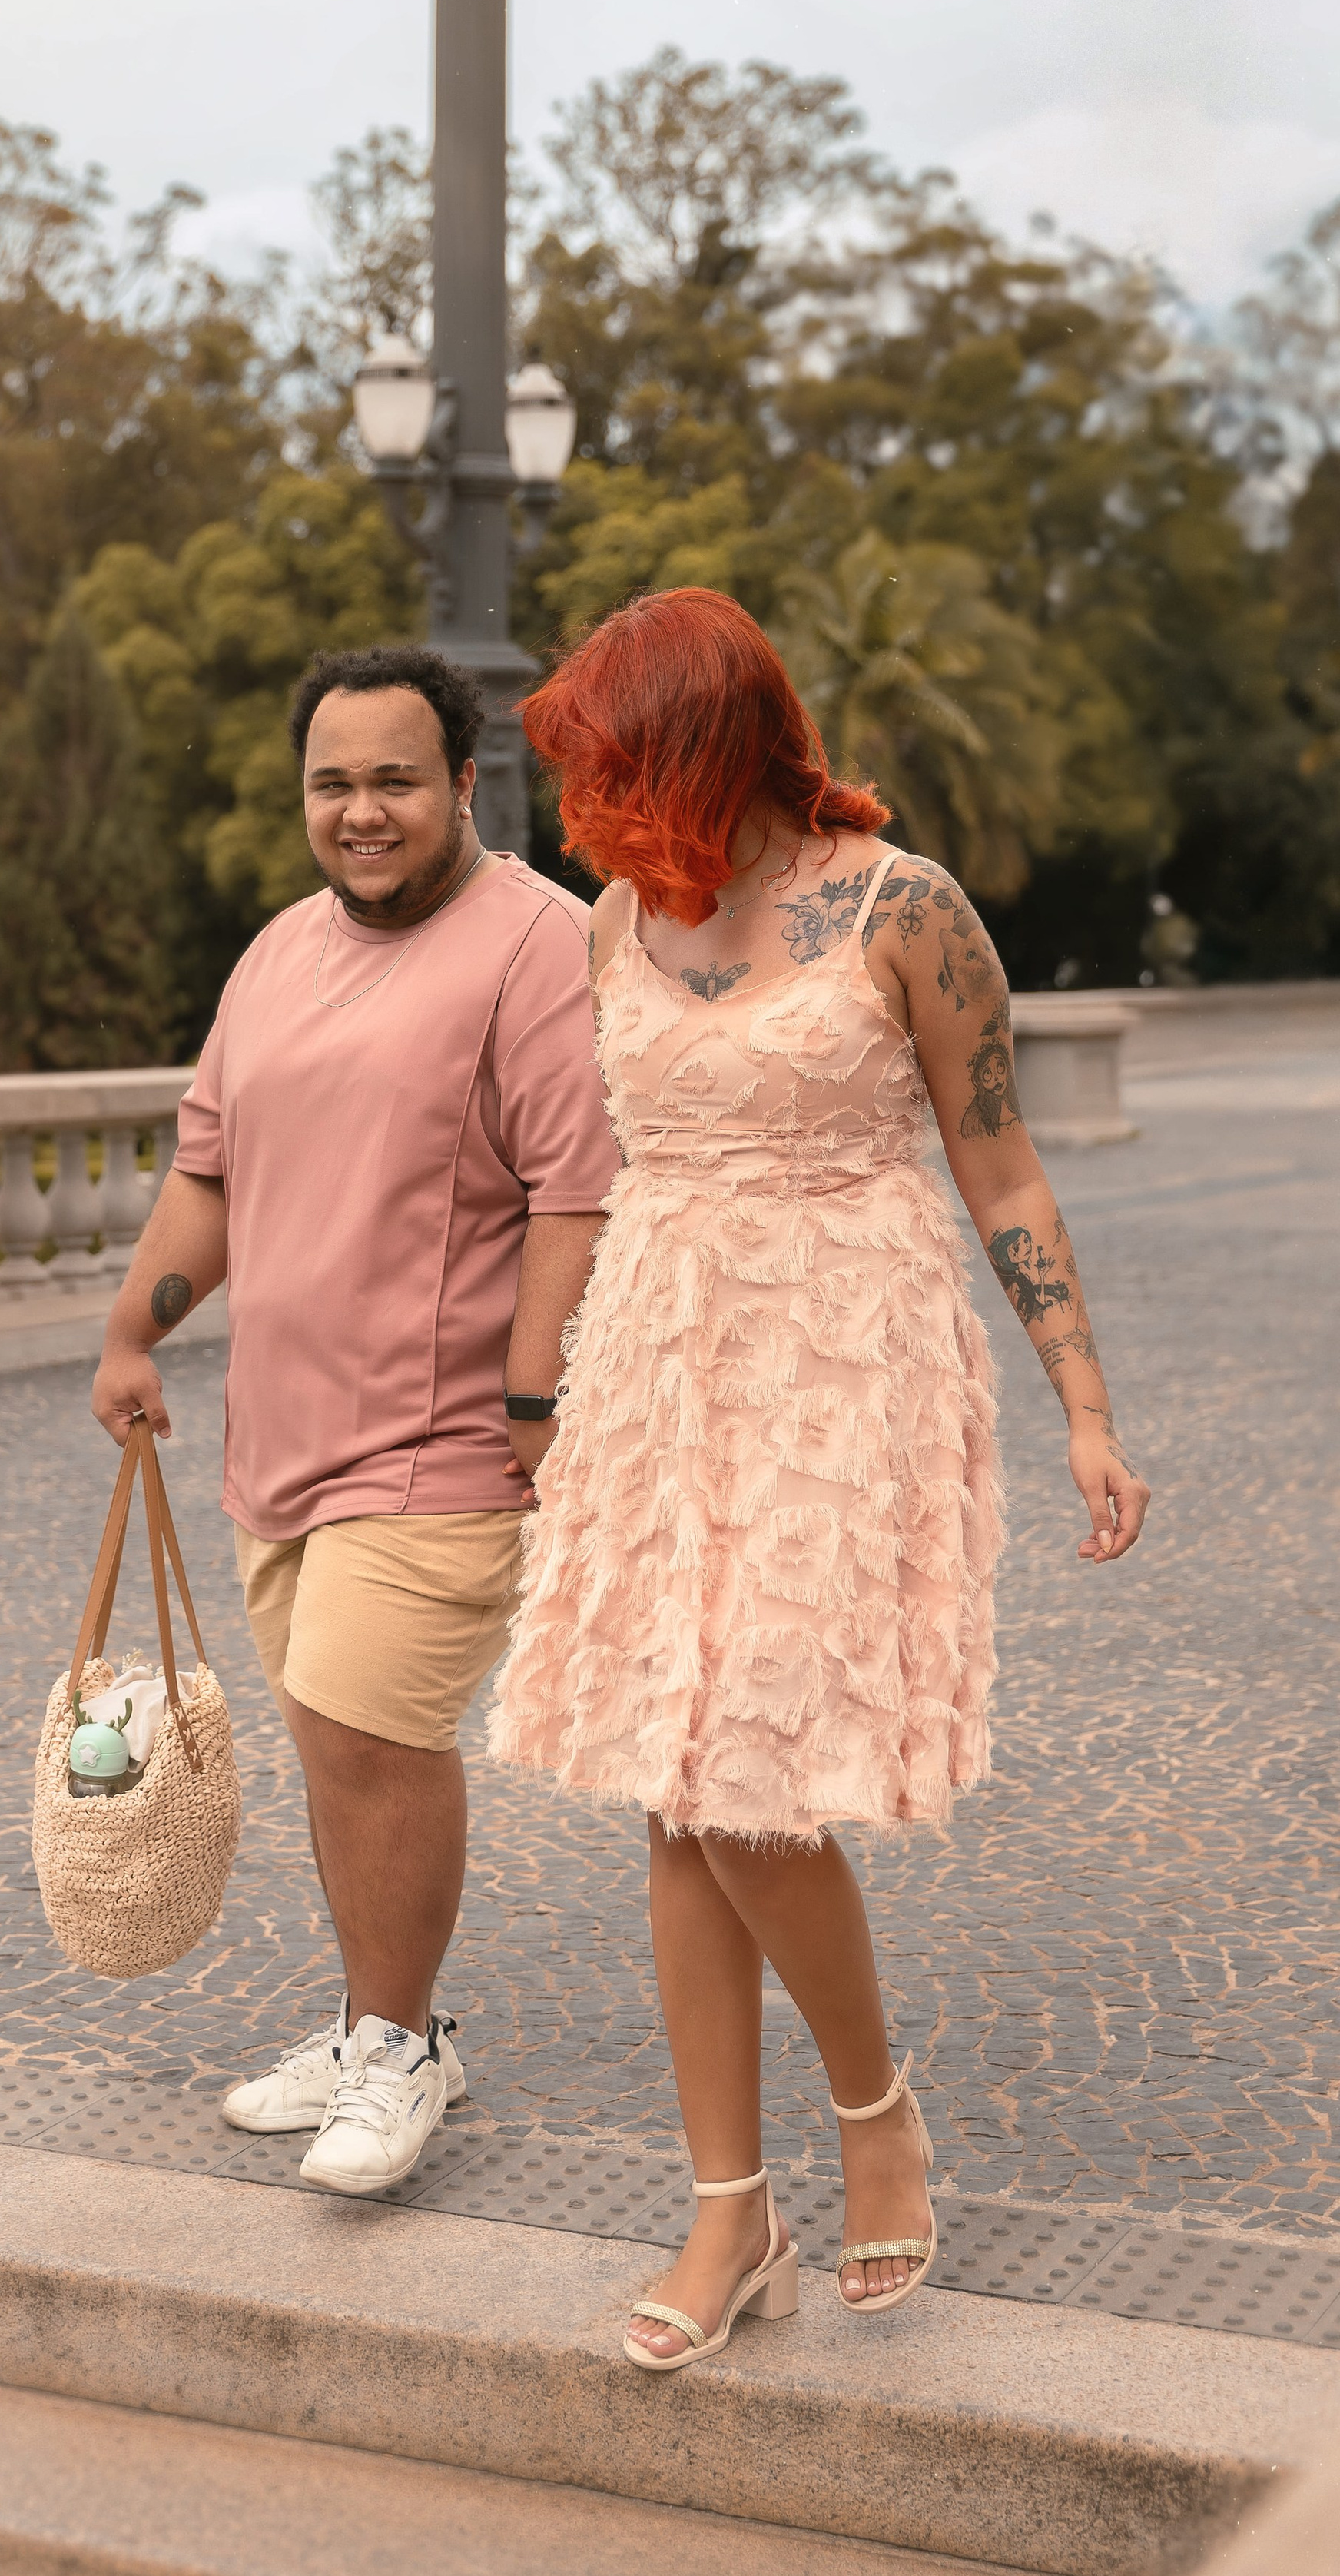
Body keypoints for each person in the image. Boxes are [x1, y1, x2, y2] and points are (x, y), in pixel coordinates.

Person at [487, 588, 1149, 2366]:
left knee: (752, 1775)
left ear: (711, 739)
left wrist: (1082, 1404)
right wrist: (537, 1386)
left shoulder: (902, 908)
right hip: (660, 1359)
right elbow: (598, 1172)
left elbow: (999, 1166)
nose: (597, 794)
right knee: (669, 1776)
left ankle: (874, 2114)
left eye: (622, 755)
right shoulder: (615, 918)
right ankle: (728, 2208)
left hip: (842, 1359)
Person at [91, 643, 617, 2194]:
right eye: (332, 783)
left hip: (442, 1438)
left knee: (372, 1733)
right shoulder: (274, 954)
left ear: (465, 781)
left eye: (395, 779)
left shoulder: (539, 944)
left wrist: (534, 1400)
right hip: (279, 1441)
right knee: (332, 1746)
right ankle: (374, 2024)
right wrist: (134, 1327)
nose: (361, 810)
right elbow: (211, 1169)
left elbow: (576, 1193)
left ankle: (395, 2050)